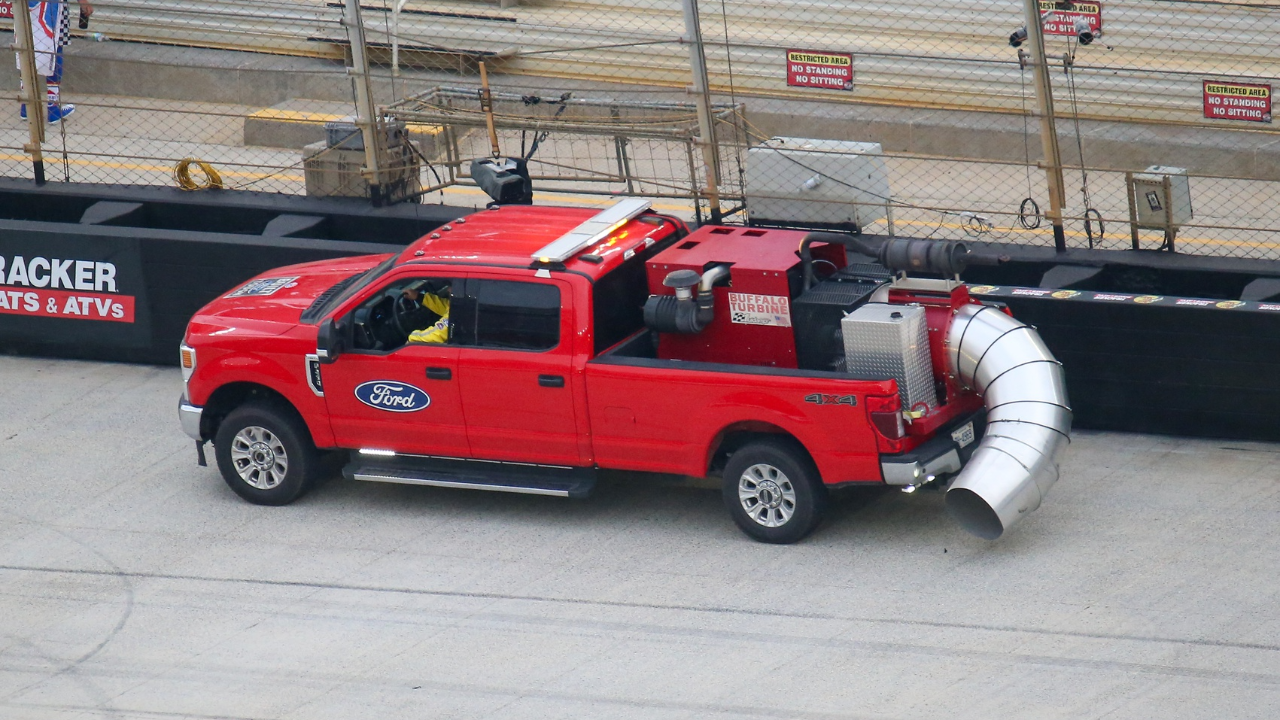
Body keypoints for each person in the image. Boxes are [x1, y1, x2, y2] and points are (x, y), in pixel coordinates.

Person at [16, 0, 94, 124]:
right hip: (52, 8)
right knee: (54, 48)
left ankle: (27, 104)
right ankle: (53, 108)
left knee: (27, 47)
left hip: (25, 6)